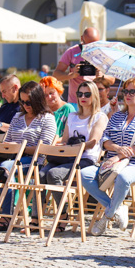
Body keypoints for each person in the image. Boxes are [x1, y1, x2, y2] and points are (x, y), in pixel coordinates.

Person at [81, 77, 135, 235]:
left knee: (122, 177)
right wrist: (117, 149)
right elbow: (104, 139)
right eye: (125, 91)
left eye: (132, 92)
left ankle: (106, 217)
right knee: (85, 174)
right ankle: (116, 208)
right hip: (112, 164)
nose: (127, 95)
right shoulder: (117, 116)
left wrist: (118, 156)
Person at [33, 81, 107, 224]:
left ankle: (63, 214)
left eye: (87, 94)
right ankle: (36, 219)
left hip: (85, 158)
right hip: (67, 156)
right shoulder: (72, 116)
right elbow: (65, 140)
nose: (83, 97)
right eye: (80, 94)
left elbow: (92, 143)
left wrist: (75, 146)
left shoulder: (99, 117)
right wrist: (53, 144)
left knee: (53, 174)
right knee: (40, 174)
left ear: (95, 96)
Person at [0, 81, 57, 232]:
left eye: (29, 102)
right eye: (22, 101)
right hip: (12, 158)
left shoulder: (47, 118)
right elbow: (7, 141)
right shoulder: (18, 116)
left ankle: (7, 215)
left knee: (6, 168)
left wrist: (21, 148)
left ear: (38, 100)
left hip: (34, 162)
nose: (26, 105)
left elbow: (44, 148)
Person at [53, 27, 102, 104]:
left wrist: (102, 75)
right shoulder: (71, 52)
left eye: (94, 45)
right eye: (88, 44)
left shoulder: (103, 53)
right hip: (75, 102)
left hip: (94, 103)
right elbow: (56, 75)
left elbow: (112, 80)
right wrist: (71, 75)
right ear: (82, 38)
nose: (90, 48)